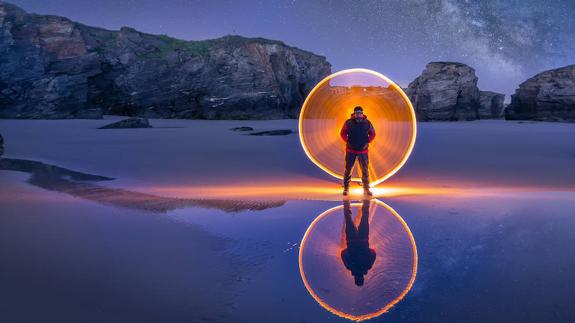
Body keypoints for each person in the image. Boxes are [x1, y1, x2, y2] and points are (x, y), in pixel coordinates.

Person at [339, 106, 376, 196]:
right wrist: (348, 140)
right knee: (348, 169)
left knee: (365, 170)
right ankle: (346, 188)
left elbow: (373, 133)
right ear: (354, 114)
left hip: (363, 151)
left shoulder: (367, 123)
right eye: (357, 113)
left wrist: (367, 141)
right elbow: (343, 133)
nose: (358, 114)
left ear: (362, 113)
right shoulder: (348, 123)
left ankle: (366, 189)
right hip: (351, 150)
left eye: (360, 112)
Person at [340, 199, 376, 286]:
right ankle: (346, 197)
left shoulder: (367, 265)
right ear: (355, 278)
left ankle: (366, 194)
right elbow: (343, 253)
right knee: (348, 217)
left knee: (365, 216)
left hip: (363, 239)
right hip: (351, 240)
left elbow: (373, 253)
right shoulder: (349, 266)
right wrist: (350, 249)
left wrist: (366, 249)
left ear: (362, 278)